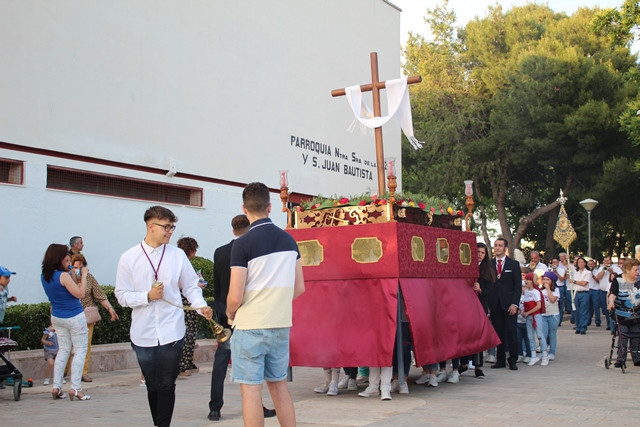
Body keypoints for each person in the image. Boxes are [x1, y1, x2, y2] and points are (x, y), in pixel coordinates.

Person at [115, 205, 213, 427]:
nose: (170, 231)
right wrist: (146, 296)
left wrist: (201, 306)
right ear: (151, 226)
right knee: (152, 384)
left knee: (168, 384)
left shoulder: (177, 255)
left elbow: (190, 286)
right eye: (166, 227)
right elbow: (121, 296)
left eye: (172, 227)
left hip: (172, 331)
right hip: (143, 332)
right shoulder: (129, 257)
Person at [226, 182, 305, 426]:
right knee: (279, 387)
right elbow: (300, 287)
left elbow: (235, 296)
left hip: (250, 325)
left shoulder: (242, 244)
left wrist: (230, 314)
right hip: (280, 324)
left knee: (250, 391)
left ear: (244, 208)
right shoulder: (289, 241)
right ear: (270, 207)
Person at [208, 214, 276, 421]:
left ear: (232, 230)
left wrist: (222, 312)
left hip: (224, 314)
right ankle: (258, 406)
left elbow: (218, 288)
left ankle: (215, 408)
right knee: (255, 361)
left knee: (220, 362)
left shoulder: (219, 252)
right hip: (250, 312)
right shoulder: (255, 250)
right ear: (249, 228)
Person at [40, 243, 90, 401]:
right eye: (65, 257)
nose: (68, 260)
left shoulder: (45, 275)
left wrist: (71, 272)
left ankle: (56, 386)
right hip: (74, 316)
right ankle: (76, 388)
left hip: (57, 317)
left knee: (63, 350)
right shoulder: (63, 276)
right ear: (59, 258)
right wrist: (84, 276)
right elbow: (80, 293)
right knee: (80, 350)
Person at [67, 253, 119, 383]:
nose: (78, 270)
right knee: (67, 345)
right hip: (70, 316)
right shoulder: (66, 278)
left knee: (85, 345)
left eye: (80, 266)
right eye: (75, 267)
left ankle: (83, 372)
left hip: (86, 316)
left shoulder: (89, 278)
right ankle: (64, 371)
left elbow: (99, 295)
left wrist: (110, 308)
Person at [489, 238, 522, 370]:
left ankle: (513, 359)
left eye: (500, 246)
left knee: (511, 332)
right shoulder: (489, 264)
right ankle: (500, 359)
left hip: (509, 305)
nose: (497, 248)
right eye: (495, 245)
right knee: (498, 332)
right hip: (495, 304)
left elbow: (517, 287)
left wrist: (515, 304)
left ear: (505, 248)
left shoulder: (513, 264)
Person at [176, 236, 204, 377]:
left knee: (189, 333)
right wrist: (196, 286)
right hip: (186, 302)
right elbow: (180, 283)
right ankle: (184, 364)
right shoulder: (181, 263)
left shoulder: (177, 261)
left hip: (184, 301)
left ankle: (187, 362)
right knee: (188, 333)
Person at [607, 258, 640, 368]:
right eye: (635, 270)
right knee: (623, 335)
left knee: (636, 336)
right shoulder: (618, 280)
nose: (637, 272)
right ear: (627, 270)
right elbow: (613, 294)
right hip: (622, 315)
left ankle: (637, 358)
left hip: (637, 315)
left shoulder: (639, 281)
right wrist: (611, 303)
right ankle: (620, 359)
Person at [521, 272, 548, 366]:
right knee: (530, 336)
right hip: (528, 317)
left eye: (527, 279)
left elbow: (538, 306)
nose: (525, 281)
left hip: (536, 316)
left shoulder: (536, 292)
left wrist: (528, 312)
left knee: (540, 335)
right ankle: (533, 355)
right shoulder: (527, 292)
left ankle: (544, 355)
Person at [594, 256, 619, 330]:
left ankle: (614, 325)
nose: (606, 262)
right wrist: (604, 270)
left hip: (612, 291)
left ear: (611, 261)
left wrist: (610, 271)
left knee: (613, 308)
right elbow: (598, 277)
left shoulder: (615, 267)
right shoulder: (601, 268)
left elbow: (618, 277)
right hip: (603, 291)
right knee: (605, 309)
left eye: (608, 260)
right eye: (605, 261)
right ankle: (609, 324)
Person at [540, 271, 560, 362]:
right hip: (543, 315)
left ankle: (552, 352)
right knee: (543, 334)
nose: (545, 281)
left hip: (553, 315)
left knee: (552, 334)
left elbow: (552, 300)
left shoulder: (556, 290)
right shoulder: (540, 290)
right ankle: (543, 351)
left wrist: (548, 289)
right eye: (544, 279)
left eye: (547, 280)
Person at [569, 257, 591, 335]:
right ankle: (578, 326)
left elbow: (584, 283)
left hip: (584, 293)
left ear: (585, 263)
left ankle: (583, 327)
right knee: (577, 311)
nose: (580, 264)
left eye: (582, 262)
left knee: (583, 311)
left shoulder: (587, 272)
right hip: (576, 292)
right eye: (579, 262)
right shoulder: (576, 273)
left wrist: (574, 281)